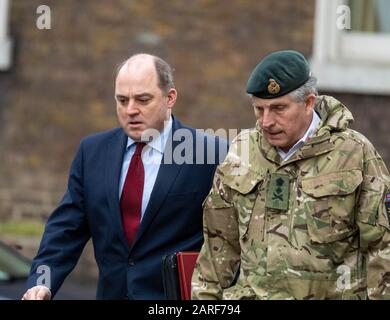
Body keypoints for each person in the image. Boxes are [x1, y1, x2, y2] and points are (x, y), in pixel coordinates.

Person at [22, 53, 227, 300]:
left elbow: (230, 240)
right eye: (122, 100)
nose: (130, 110)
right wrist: (42, 283)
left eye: (143, 99)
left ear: (170, 98)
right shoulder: (93, 152)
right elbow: (66, 228)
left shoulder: (210, 153)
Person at [192, 50, 390, 300]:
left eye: (278, 109)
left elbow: (382, 249)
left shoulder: (354, 153)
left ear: (308, 102)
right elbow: (217, 250)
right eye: (259, 109)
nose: (266, 121)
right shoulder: (242, 151)